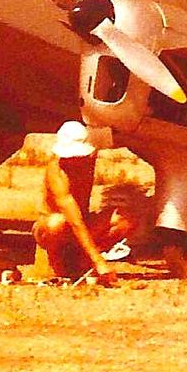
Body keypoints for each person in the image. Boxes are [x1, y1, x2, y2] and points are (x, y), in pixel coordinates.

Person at [33, 120, 134, 282]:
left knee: (124, 219)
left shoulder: (93, 145)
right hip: (56, 229)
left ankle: (80, 261)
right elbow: (75, 222)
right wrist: (99, 261)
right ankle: (57, 260)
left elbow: (127, 132)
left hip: (81, 222)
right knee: (57, 223)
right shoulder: (57, 174)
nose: (74, 160)